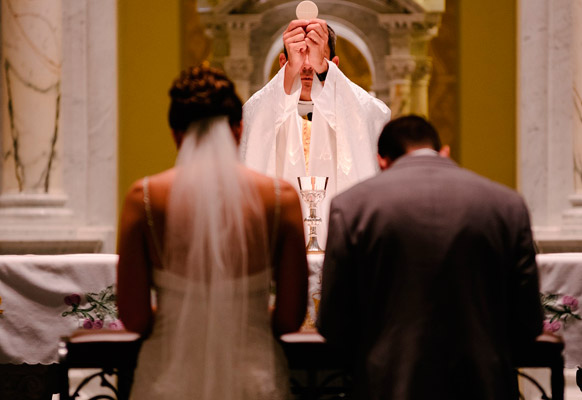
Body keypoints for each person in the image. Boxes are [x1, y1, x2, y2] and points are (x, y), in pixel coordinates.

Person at [317, 115, 543, 399]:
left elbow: (334, 322)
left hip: (388, 382)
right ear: (443, 151)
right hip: (483, 383)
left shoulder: (350, 206)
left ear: (382, 160)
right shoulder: (508, 204)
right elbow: (528, 321)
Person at [117, 65, 308, 399]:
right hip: (252, 374)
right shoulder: (281, 199)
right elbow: (290, 320)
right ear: (238, 129)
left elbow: (134, 319)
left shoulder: (143, 198)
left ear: (176, 133)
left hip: (168, 375)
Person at [240, 19, 391, 241]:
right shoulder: (266, 109)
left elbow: (375, 116)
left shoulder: (352, 106)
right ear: (283, 62)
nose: (308, 66)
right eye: (300, 57)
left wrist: (324, 69)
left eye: (316, 58)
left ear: (334, 64)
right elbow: (251, 121)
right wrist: (293, 68)